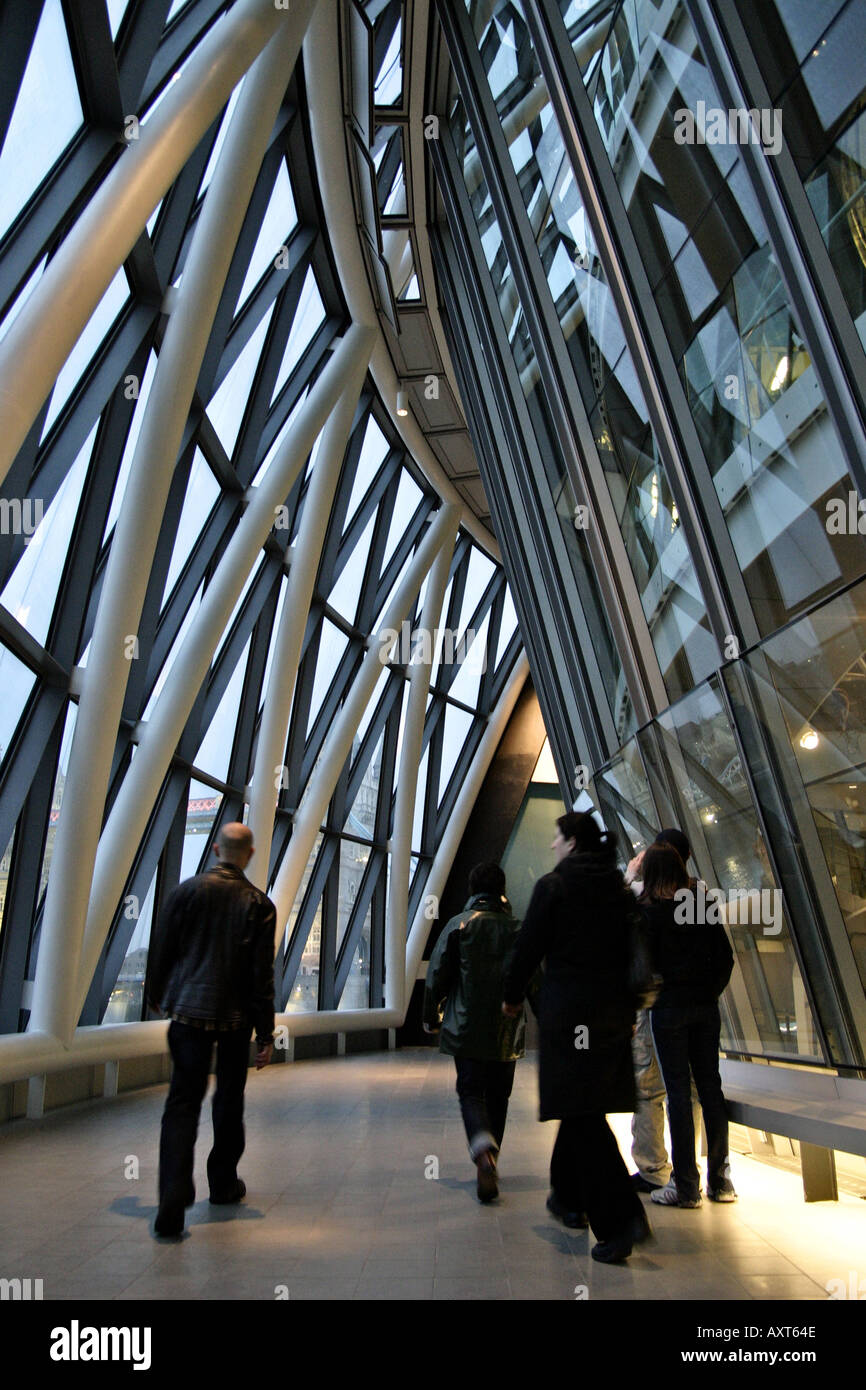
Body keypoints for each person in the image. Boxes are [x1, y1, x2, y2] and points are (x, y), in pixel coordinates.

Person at [502, 812, 650, 1263]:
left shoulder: (555, 887)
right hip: (611, 1018)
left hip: (571, 1018)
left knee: (583, 1114)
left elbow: (528, 946)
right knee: (583, 1105)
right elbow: (636, 954)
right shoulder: (618, 890)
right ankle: (567, 1198)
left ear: (571, 842)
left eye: (556, 838)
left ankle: (621, 1221)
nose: (551, 846)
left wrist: (511, 996)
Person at [147, 822, 276, 1237]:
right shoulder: (259, 904)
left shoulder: (186, 892)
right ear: (249, 854)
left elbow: (163, 947)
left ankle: (173, 1191)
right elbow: (261, 976)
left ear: (217, 848)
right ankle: (222, 1182)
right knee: (229, 1100)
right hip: (234, 1020)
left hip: (187, 1015)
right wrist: (266, 1032)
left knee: (182, 1103)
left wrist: (158, 995)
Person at [638, 842, 736, 1208]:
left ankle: (686, 1186)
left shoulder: (647, 912)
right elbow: (724, 958)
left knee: (678, 1095)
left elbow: (641, 967)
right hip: (705, 1008)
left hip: (668, 1012)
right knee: (711, 1089)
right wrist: (709, 992)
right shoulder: (701, 904)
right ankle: (721, 1181)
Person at [423, 863, 526, 1203]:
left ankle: (482, 1150)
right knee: (499, 1096)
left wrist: (431, 1018)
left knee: (470, 1091)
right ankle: (492, 1154)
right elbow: (534, 978)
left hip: (465, 1028)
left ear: (472, 890)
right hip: (506, 1031)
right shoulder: (516, 928)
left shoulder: (458, 925)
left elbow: (437, 974)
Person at [625, 828, 701, 1193]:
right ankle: (693, 1169)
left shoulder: (647, 897)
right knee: (688, 1087)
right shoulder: (698, 894)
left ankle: (655, 1167)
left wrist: (629, 874)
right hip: (695, 1005)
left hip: (655, 1006)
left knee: (647, 1084)